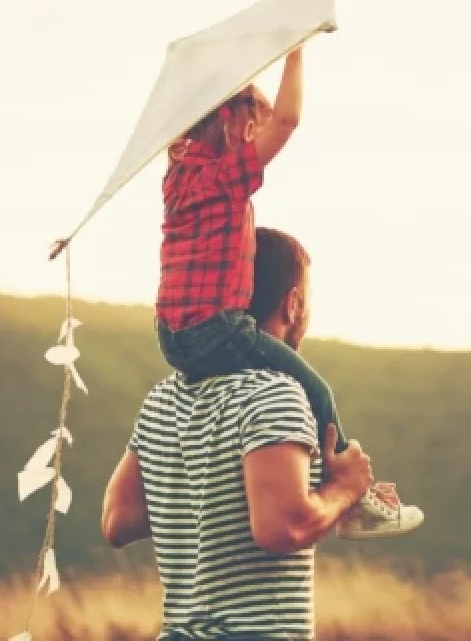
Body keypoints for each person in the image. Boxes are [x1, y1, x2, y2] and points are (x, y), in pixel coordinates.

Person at [103, 227, 423, 639]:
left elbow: (118, 521)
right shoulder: (275, 393)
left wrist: (209, 494)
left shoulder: (163, 398)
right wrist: (345, 489)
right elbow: (282, 529)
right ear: (292, 305)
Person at [154, 47, 420, 537]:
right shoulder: (222, 178)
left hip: (170, 336)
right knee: (314, 388)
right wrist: (293, 50)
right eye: (253, 128)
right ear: (233, 127)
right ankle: (353, 495)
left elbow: (272, 120)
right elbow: (288, 121)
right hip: (215, 327)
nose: (260, 137)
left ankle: (291, 474)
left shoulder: (177, 179)